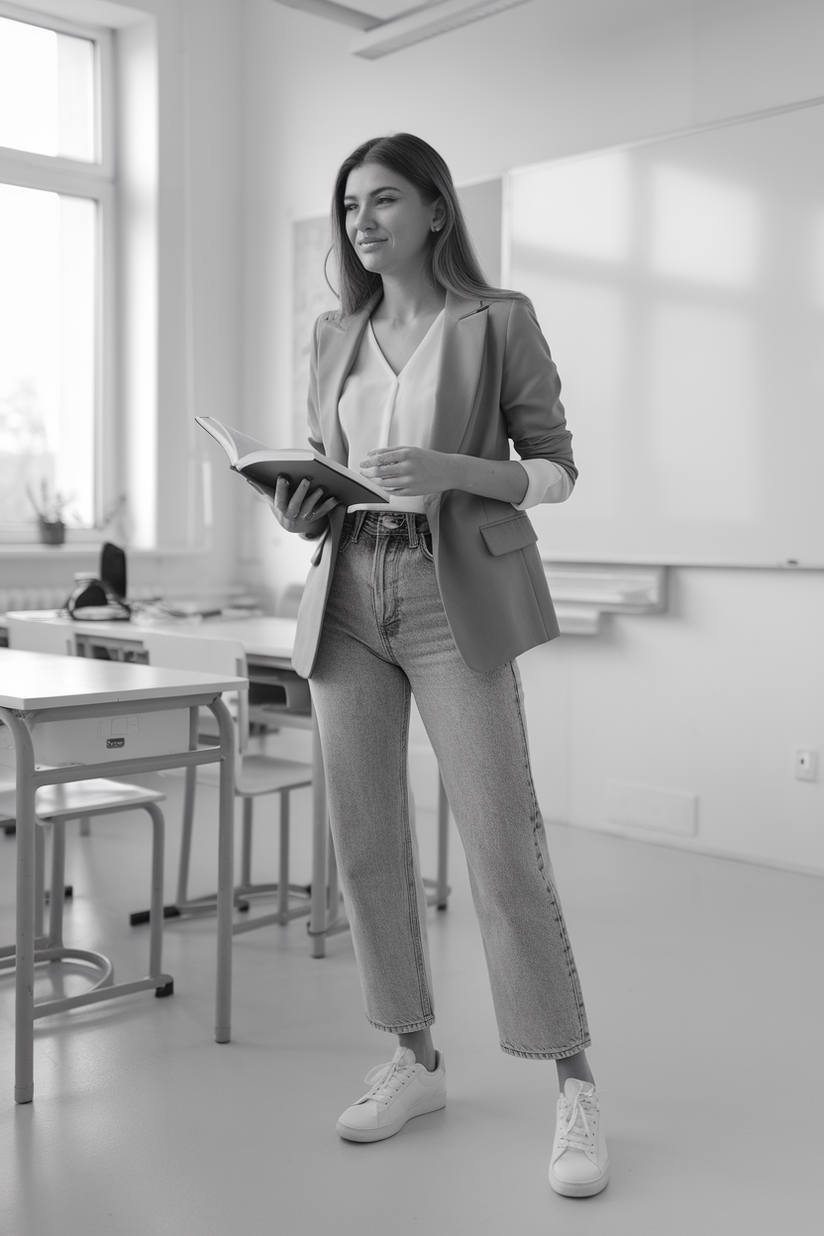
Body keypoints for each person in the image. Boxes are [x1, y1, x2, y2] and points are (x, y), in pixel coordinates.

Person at [262, 132, 609, 1200]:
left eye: (382, 201)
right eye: (350, 206)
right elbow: (326, 466)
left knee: (501, 843)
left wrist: (455, 469)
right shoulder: (333, 333)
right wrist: (294, 501)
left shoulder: (496, 320)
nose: (361, 221)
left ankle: (573, 1084)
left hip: (447, 591)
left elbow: (553, 470)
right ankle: (412, 1058)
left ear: (433, 211)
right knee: (365, 842)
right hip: (347, 584)